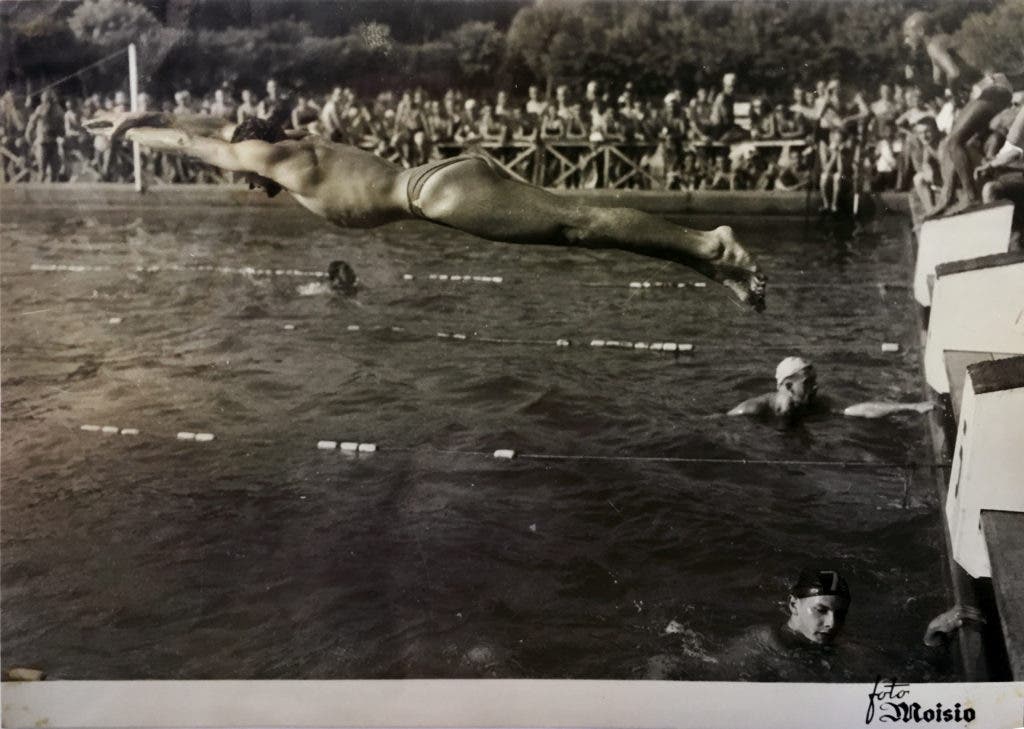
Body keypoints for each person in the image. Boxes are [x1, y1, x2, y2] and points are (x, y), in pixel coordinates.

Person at [84, 111, 766, 310]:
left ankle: (712, 245)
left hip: (435, 193)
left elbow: (192, 143)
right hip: (440, 184)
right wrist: (144, 113)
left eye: (244, 168)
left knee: (575, 222)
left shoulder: (271, 158)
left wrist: (126, 134)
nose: (248, 184)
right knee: (575, 232)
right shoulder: (287, 151)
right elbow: (200, 124)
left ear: (251, 151)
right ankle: (708, 262)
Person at [728, 357, 933, 420]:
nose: (816, 387)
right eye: (808, 383)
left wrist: (913, 406)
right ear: (789, 386)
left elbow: (859, 409)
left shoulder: (813, 405)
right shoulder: (752, 410)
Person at [924, 75, 1013, 219]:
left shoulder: (936, 52)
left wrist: (954, 92)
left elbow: (954, 73)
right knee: (952, 143)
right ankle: (949, 196)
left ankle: (965, 197)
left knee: (953, 142)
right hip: (991, 86)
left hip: (991, 86)